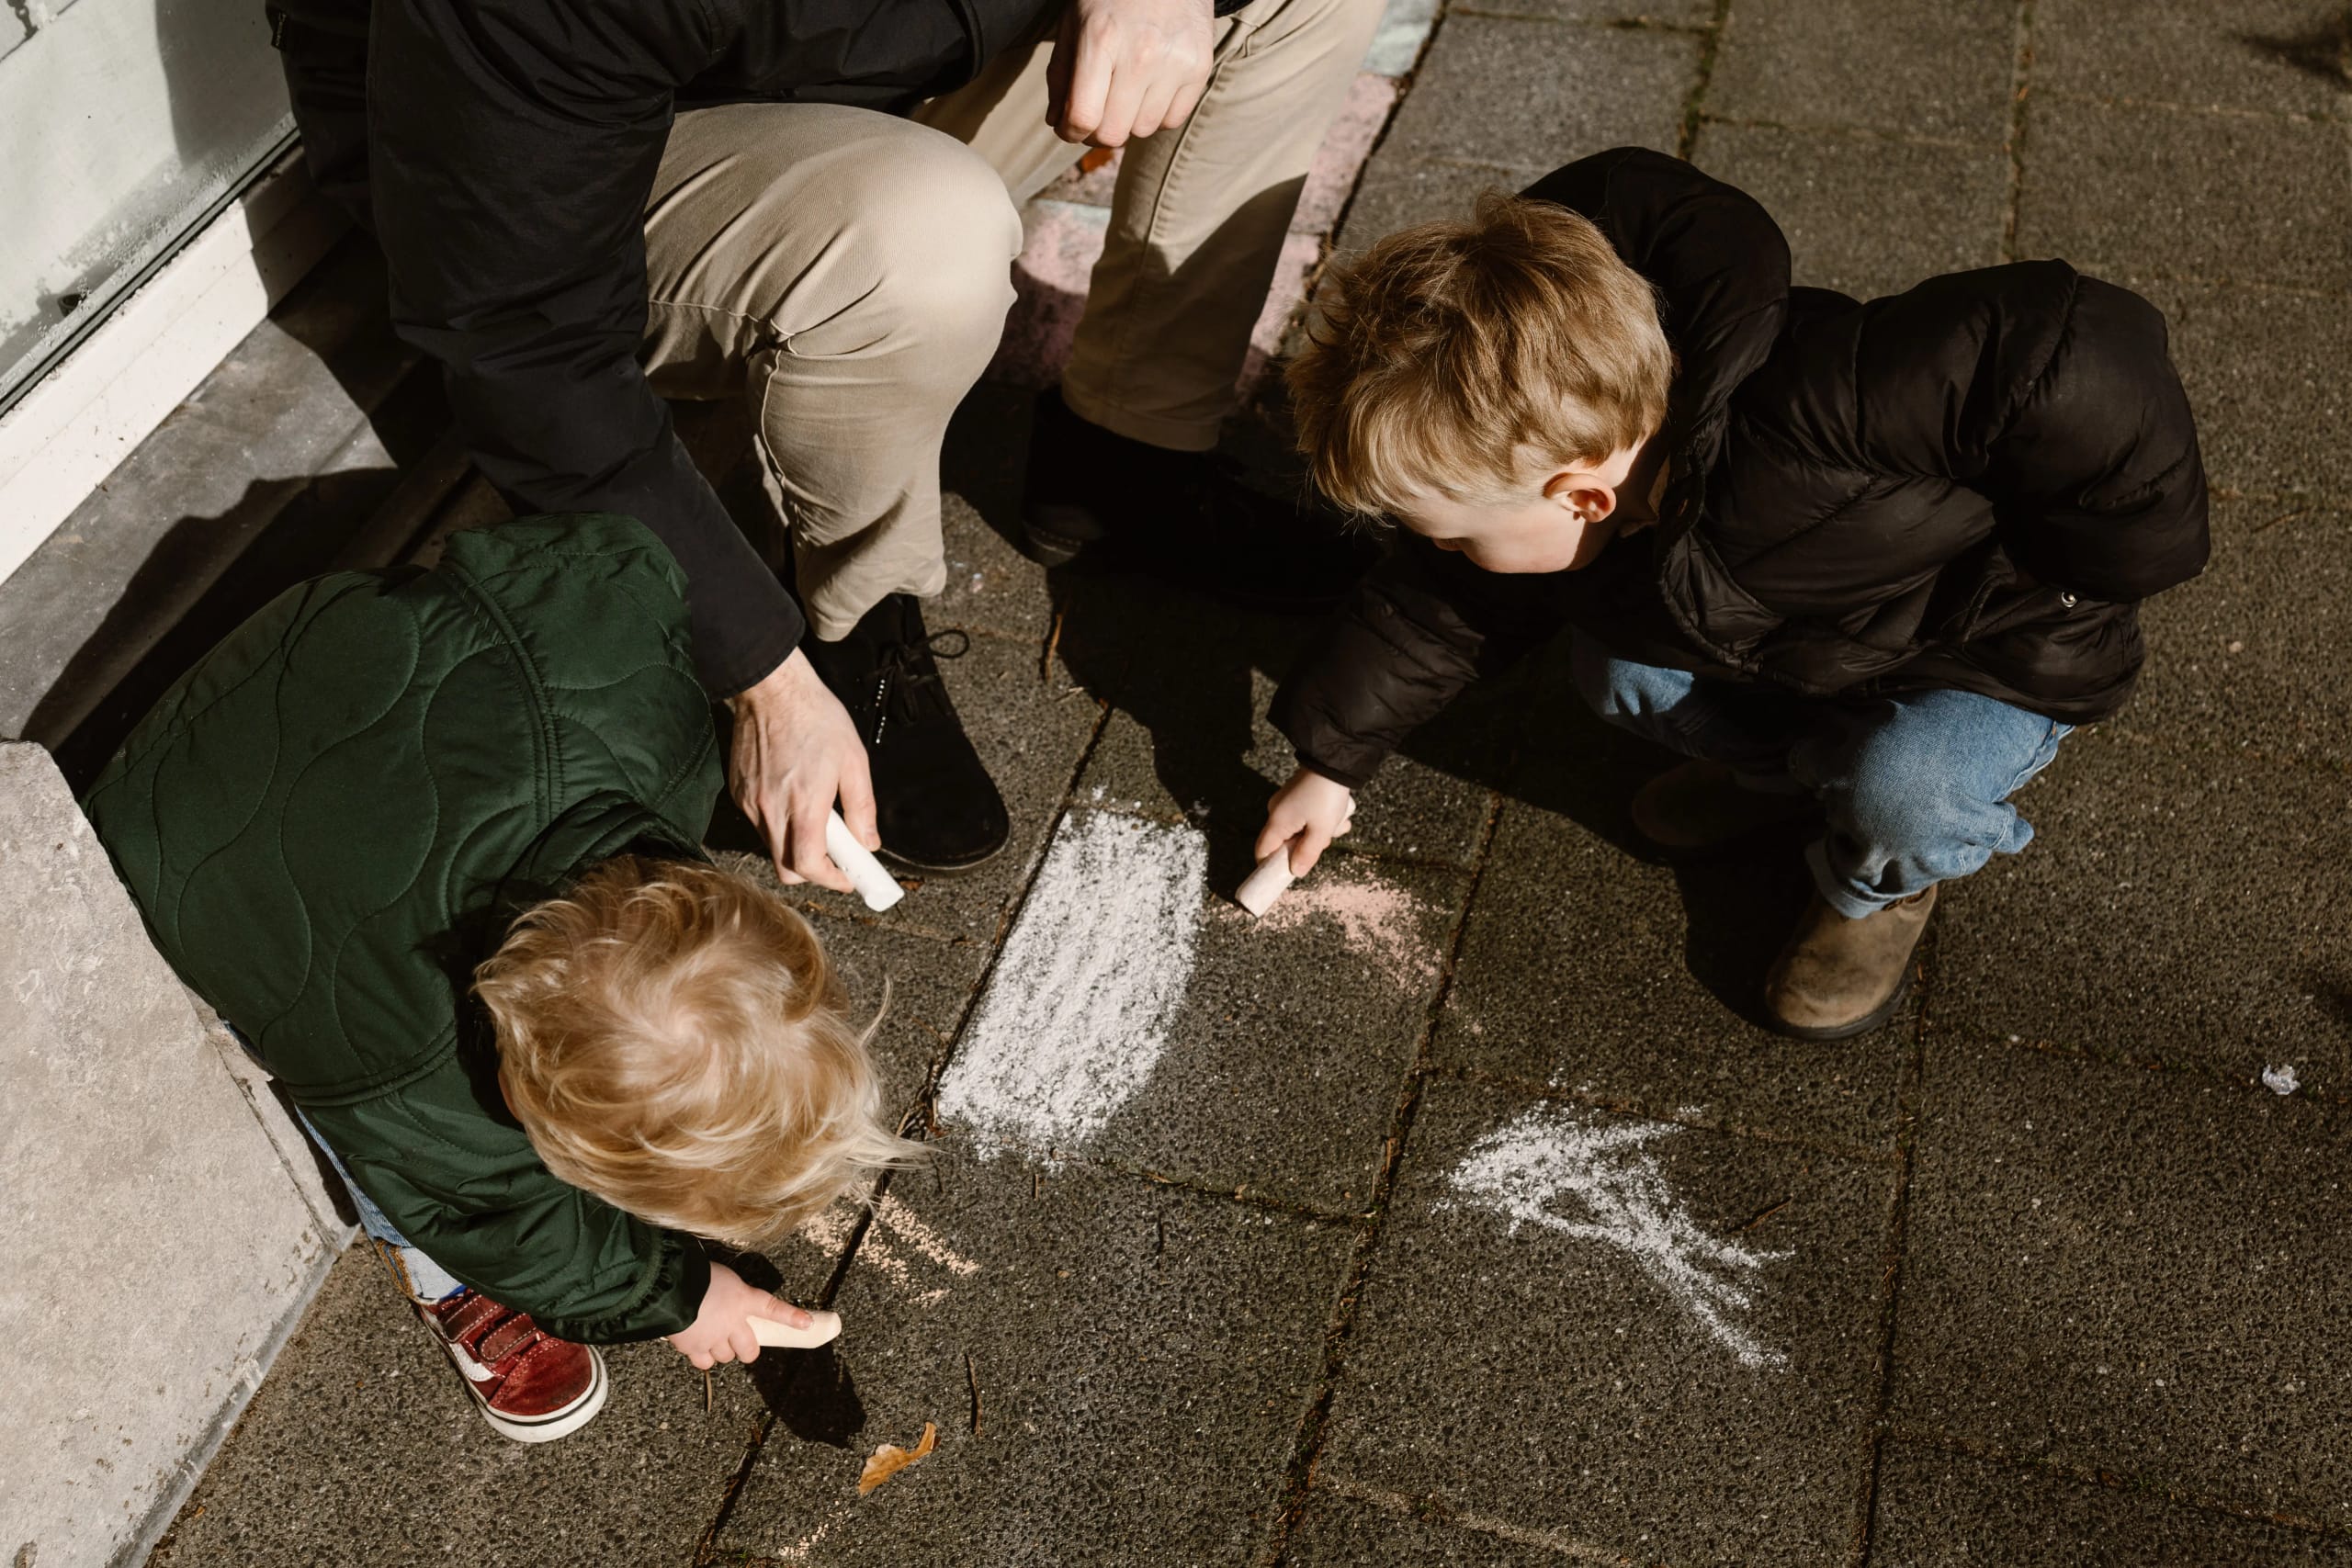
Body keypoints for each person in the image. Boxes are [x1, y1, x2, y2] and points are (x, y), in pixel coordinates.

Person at [266, 0, 1381, 889]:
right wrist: (757, 672)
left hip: (844, 64)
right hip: (558, 175)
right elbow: (526, 353)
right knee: (927, 242)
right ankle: (844, 619)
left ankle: (1124, 464)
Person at [1255, 147, 2209, 1040]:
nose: (1446, 552)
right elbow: (1433, 605)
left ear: (1583, 493)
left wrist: (2109, 560)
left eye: (1457, 532)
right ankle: (1797, 773)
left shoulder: (1818, 411)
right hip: (1797, 650)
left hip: (1981, 652)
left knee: (1906, 788)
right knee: (1616, 673)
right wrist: (1331, 762)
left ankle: (1872, 885)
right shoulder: (1586, 484)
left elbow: (2065, 350)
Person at [82, 514, 917, 1441]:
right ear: (529, 1110)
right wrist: (673, 1296)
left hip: (303, 654)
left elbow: (603, 552)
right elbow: (499, 1216)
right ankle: (433, 1268)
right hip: (164, 825)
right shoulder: (424, 1083)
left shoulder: (634, 718)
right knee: (386, 1152)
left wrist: (756, 693)